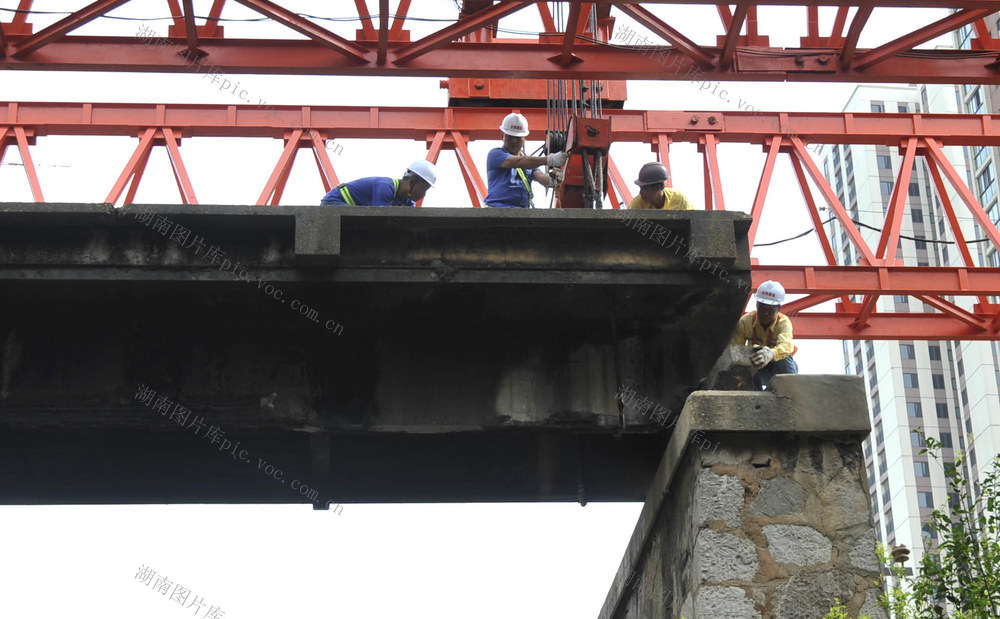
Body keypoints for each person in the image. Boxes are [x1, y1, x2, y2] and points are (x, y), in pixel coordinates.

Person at [484, 112, 569, 208]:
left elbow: (540, 177)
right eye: (510, 137)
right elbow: (519, 162)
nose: (513, 141)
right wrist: (550, 160)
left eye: (517, 138)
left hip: (519, 213)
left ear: (524, 139)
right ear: (502, 136)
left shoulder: (528, 164)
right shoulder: (495, 155)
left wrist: (553, 179)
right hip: (498, 210)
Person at [729, 280, 799, 390]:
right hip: (757, 368)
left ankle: (790, 389)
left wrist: (771, 353)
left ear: (779, 308)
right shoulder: (745, 322)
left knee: (785, 356)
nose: (765, 313)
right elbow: (735, 350)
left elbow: (786, 346)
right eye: (762, 307)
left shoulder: (783, 323)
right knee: (744, 356)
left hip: (777, 367)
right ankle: (753, 394)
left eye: (770, 310)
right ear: (756, 304)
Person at [320, 160, 436, 206]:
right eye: (424, 189)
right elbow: (380, 219)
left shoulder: (406, 200)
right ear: (411, 182)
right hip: (335, 201)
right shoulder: (385, 187)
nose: (423, 195)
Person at [627, 162, 694, 210]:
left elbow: (693, 223)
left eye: (645, 189)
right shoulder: (636, 205)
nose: (640, 193)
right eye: (640, 188)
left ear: (657, 188)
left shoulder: (680, 201)